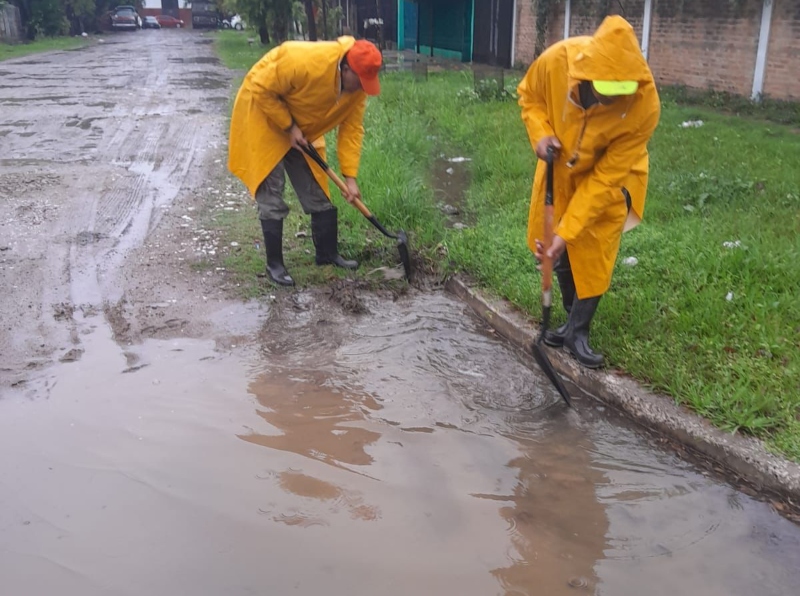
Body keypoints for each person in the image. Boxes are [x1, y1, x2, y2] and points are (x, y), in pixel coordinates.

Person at [517, 15, 661, 369]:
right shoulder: (557, 61)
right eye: (604, 92)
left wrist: (567, 232)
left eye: (621, 93)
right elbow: (529, 96)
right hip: (560, 165)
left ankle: (578, 331)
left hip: (612, 177)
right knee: (557, 249)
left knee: (594, 245)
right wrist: (540, 135)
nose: (612, 102)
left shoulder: (644, 105)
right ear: (586, 76)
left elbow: (603, 181)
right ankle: (568, 321)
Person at [228, 36, 382, 287]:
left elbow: (352, 131)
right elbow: (260, 86)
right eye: (361, 81)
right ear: (346, 69)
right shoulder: (302, 60)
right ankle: (275, 265)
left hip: (301, 129)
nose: (362, 88)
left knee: (317, 188)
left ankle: (327, 254)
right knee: (272, 190)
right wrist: (289, 127)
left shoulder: (356, 91)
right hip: (264, 117)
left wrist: (350, 178)